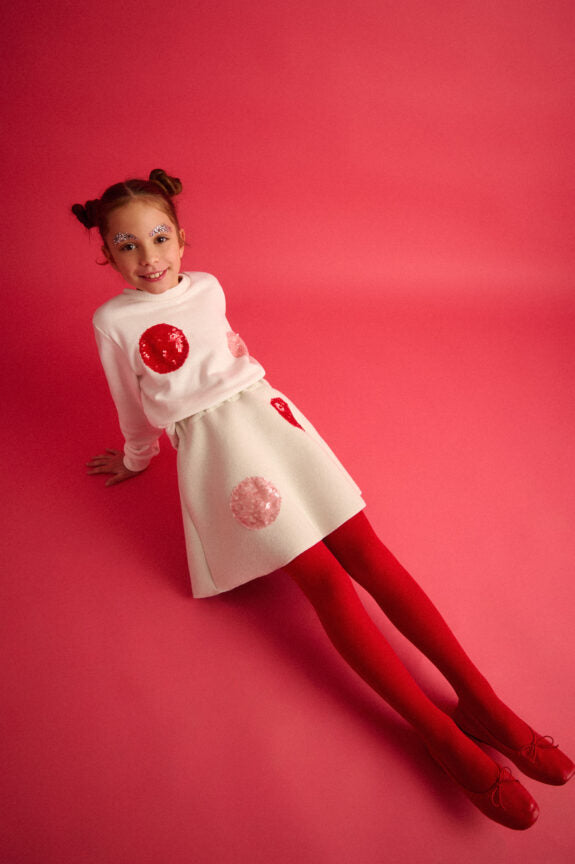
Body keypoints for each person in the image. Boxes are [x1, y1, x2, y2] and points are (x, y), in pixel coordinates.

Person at [73, 168, 573, 831]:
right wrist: (137, 457)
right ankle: (437, 733)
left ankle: (483, 702)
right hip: (220, 455)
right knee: (327, 582)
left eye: (160, 237)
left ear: (183, 239)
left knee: (369, 550)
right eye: (127, 244)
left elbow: (229, 353)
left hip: (273, 420)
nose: (148, 256)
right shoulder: (112, 321)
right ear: (106, 254)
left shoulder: (208, 287)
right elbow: (130, 400)